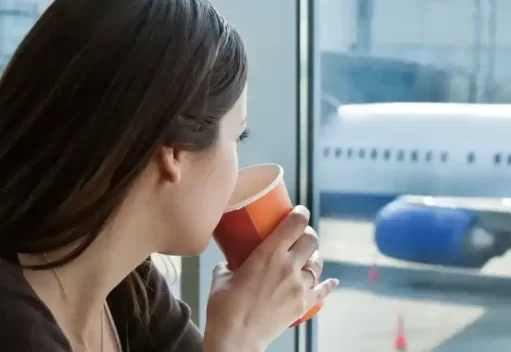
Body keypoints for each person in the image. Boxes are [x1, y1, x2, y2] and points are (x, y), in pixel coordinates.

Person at [0, 0, 339, 351]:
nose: (237, 161)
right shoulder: (13, 329)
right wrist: (239, 337)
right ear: (174, 152)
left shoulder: (128, 289)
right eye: (238, 137)